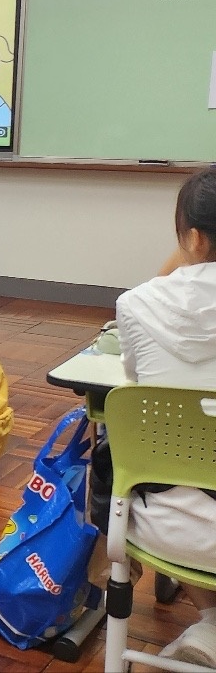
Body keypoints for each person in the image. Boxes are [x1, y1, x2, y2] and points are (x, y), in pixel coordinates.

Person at [115, 166, 216, 666]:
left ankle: (210, 627)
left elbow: (135, 382)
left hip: (164, 524)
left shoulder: (135, 304)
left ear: (192, 237)